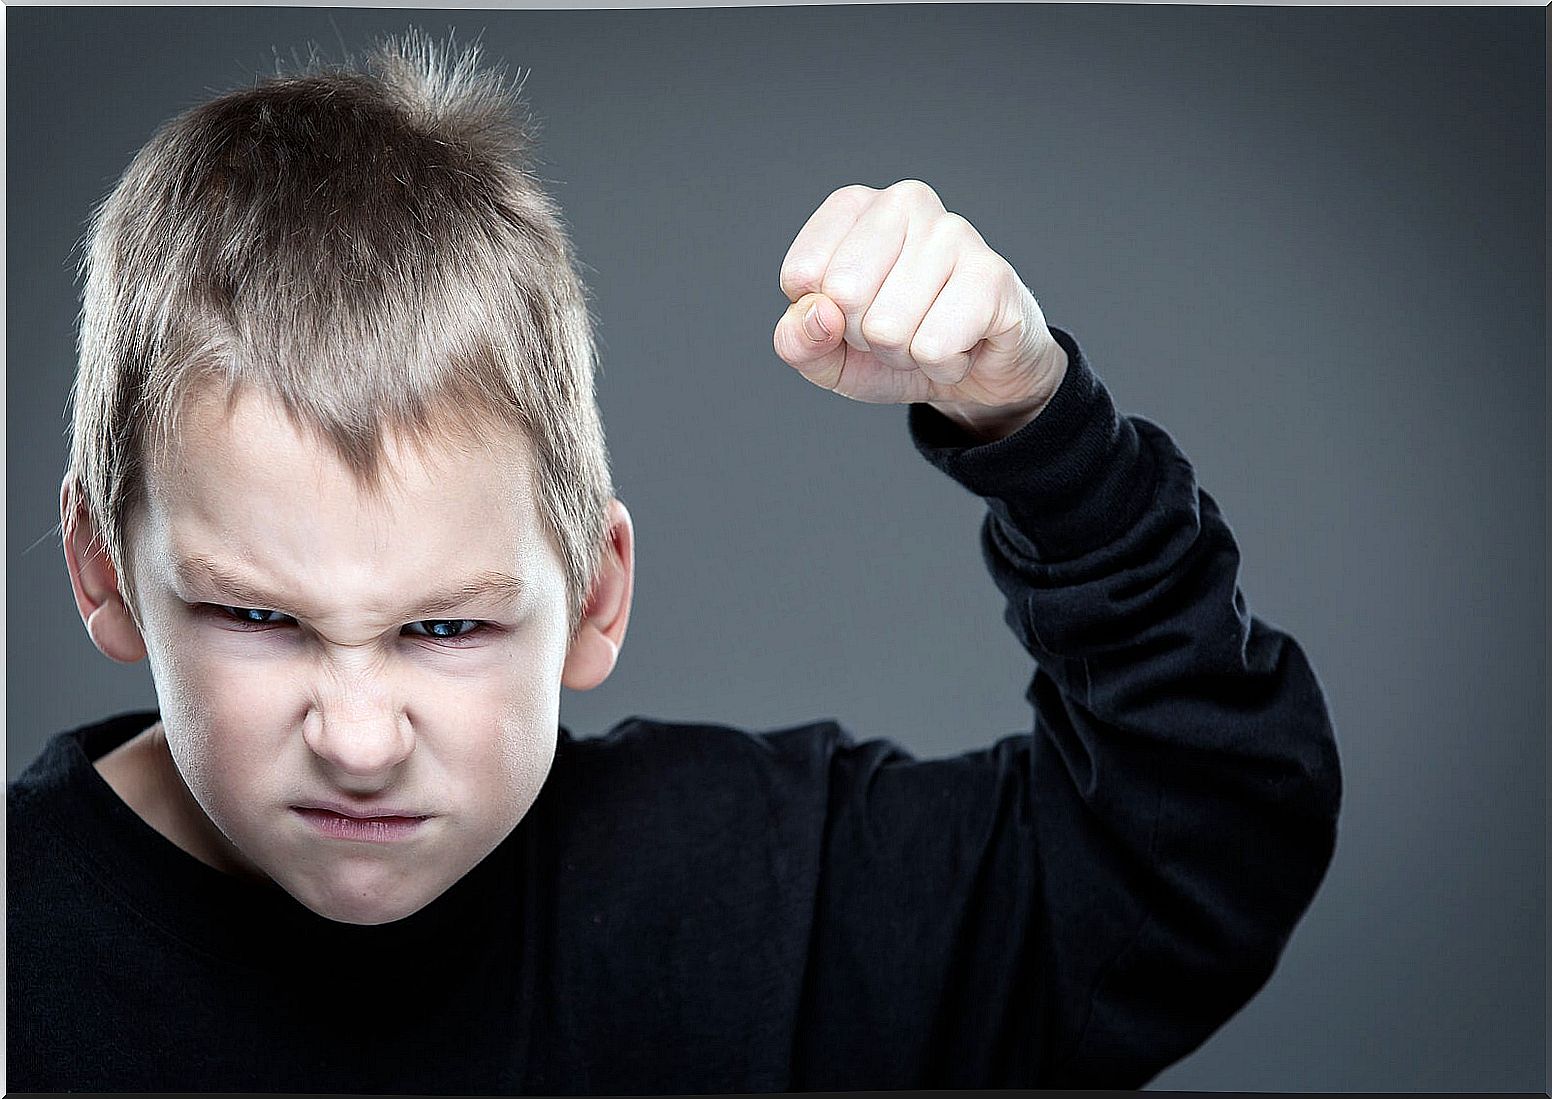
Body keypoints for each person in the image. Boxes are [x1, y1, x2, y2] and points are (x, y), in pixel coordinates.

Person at [7, 30, 1342, 1093]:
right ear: (102, 571)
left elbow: (1200, 851)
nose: (359, 740)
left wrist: (1036, 423)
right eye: (257, 615)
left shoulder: (755, 904)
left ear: (595, 594)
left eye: (447, 631)